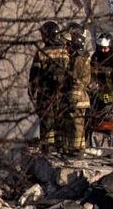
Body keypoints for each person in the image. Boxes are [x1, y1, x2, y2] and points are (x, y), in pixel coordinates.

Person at [26, 21, 82, 155]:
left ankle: (47, 148)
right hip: (62, 93)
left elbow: (34, 75)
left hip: (46, 93)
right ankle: (61, 146)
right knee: (60, 119)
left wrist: (32, 91)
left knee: (47, 120)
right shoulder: (65, 52)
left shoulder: (41, 53)